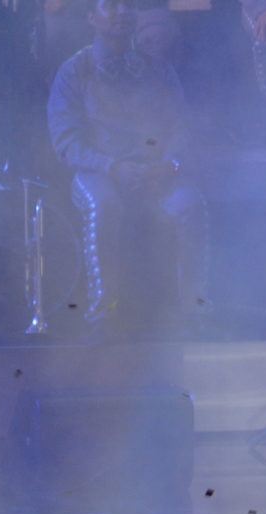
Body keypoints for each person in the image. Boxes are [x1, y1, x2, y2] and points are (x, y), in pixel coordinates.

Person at [47, 0, 211, 333]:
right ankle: (103, 314)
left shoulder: (159, 69)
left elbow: (181, 126)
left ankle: (193, 310)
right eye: (111, 6)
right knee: (103, 204)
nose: (122, 12)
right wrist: (111, 166)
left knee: (190, 204)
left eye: (129, 6)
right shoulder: (74, 70)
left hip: (156, 173)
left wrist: (169, 163)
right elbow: (66, 142)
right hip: (98, 173)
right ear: (91, 17)